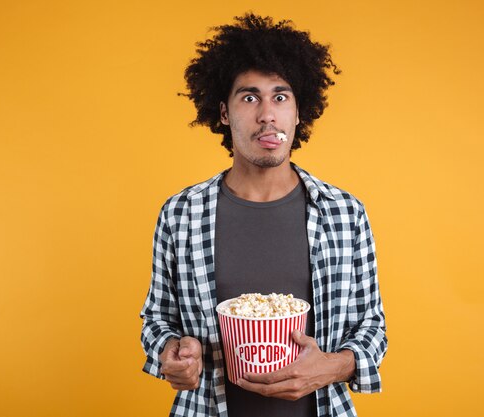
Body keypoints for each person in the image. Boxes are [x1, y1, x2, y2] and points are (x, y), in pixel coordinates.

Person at [140, 13, 387, 417]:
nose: (267, 114)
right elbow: (157, 319)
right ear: (223, 113)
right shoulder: (181, 213)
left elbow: (373, 326)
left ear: (298, 112)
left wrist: (333, 366)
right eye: (250, 97)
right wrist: (171, 353)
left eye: (281, 97)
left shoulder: (344, 213)